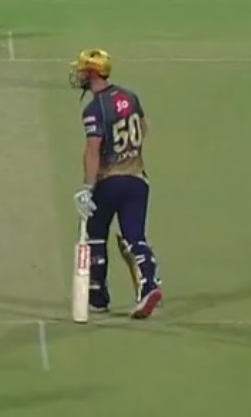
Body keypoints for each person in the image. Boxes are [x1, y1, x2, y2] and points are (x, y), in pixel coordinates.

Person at [69, 48, 163, 319]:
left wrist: (87, 188)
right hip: (138, 180)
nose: (79, 74)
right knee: (135, 237)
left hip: (110, 183)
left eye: (82, 70)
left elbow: (92, 151)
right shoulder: (130, 96)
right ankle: (149, 284)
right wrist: (129, 153)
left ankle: (98, 295)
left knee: (95, 233)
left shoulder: (94, 109)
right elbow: (143, 127)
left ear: (92, 73)